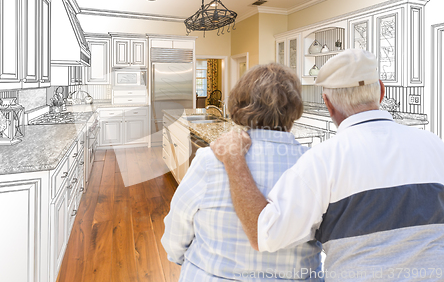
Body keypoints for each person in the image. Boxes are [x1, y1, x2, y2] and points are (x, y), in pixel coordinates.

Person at [210, 49, 444, 281]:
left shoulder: (322, 160)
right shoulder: (436, 146)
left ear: (328, 103)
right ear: (381, 91)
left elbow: (265, 235)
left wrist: (234, 160)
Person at [161, 63, 323, 281]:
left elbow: (177, 229)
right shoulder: (317, 166)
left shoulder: (210, 160)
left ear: (240, 104)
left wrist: (187, 261)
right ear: (295, 109)